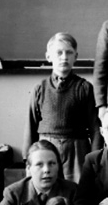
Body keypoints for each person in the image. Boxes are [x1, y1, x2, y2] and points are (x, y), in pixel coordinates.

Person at [23, 32, 100, 183]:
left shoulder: (84, 88)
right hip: (47, 147)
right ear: (48, 56)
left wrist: (95, 158)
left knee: (78, 189)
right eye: (59, 52)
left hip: (77, 149)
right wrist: (28, 158)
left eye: (69, 53)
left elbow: (95, 127)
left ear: (75, 57)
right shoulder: (40, 89)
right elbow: (30, 125)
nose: (64, 57)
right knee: (48, 187)